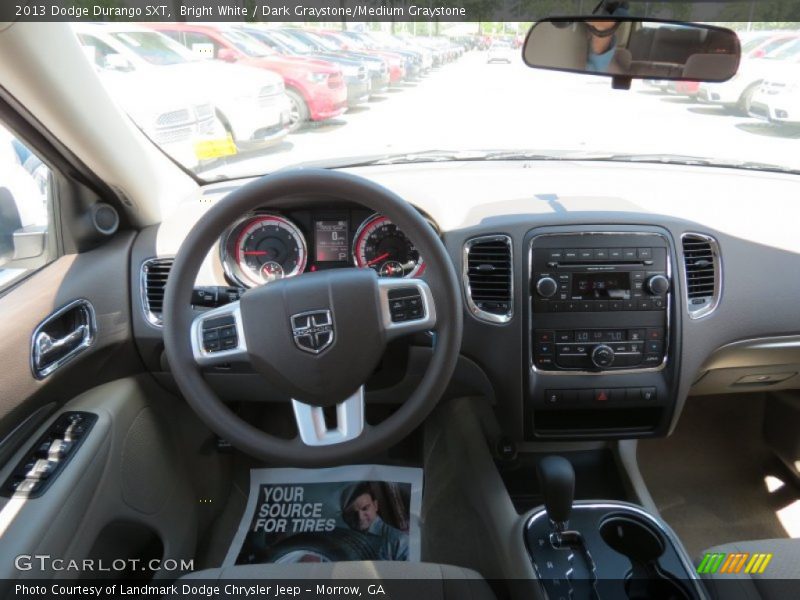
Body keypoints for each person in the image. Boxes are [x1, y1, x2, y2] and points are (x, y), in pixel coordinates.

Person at [341, 482, 409, 561]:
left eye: (365, 508)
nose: (360, 517)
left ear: (375, 505)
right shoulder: (345, 544)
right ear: (345, 517)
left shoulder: (399, 540)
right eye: (352, 513)